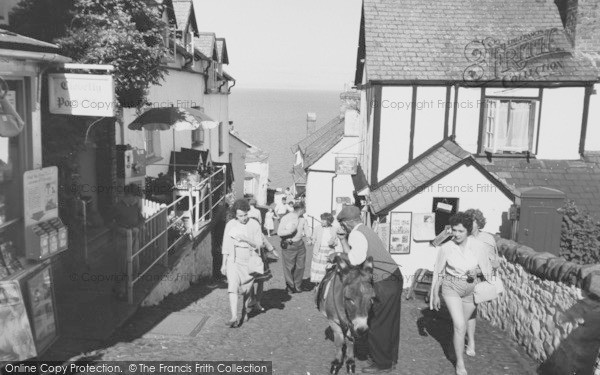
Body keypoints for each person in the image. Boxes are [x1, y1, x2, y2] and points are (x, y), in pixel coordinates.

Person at [331, 205, 403, 373]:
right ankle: (389, 358)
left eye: (342, 223)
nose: (342, 227)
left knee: (378, 322)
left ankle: (382, 364)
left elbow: (356, 259)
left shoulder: (356, 234)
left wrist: (336, 256)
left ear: (348, 222)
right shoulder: (364, 229)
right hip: (393, 277)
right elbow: (357, 255)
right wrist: (342, 240)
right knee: (390, 321)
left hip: (383, 281)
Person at [429, 212, 493, 375]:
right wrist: (435, 293)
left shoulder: (478, 246)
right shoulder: (446, 248)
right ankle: (460, 363)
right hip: (451, 287)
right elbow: (439, 271)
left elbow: (487, 269)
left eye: (460, 231)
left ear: (468, 231)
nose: (456, 234)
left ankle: (453, 345)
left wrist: (476, 272)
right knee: (459, 325)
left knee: (461, 325)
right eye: (454, 230)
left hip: (471, 288)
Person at [221, 199, 263, 328]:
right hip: (233, 260)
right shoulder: (230, 225)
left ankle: (244, 311)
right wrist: (224, 264)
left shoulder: (254, 225)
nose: (243, 218)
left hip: (248, 261)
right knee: (232, 287)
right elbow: (226, 245)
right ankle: (234, 316)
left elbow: (259, 245)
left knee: (246, 289)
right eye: (240, 216)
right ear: (235, 214)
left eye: (245, 215)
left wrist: (246, 239)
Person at [463, 208, 500, 357]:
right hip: (461, 278)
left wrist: (478, 272)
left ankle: (470, 341)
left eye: (471, 222)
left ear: (478, 223)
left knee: (469, 311)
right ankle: (463, 337)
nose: (468, 225)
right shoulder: (462, 238)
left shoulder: (487, 240)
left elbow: (494, 264)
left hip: (477, 279)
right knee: (464, 311)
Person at [111, 183, 144, 299]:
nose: (137, 200)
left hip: (134, 239)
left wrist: (138, 227)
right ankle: (120, 290)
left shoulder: (135, 207)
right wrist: (120, 230)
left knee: (134, 265)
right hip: (121, 240)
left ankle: (129, 286)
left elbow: (141, 220)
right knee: (121, 266)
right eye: (136, 198)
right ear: (129, 196)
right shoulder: (117, 207)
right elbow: (110, 223)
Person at [277, 201, 308, 293]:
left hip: (300, 245)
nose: (305, 210)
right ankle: (290, 286)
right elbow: (279, 232)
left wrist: (310, 237)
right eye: (305, 208)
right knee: (289, 267)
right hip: (289, 245)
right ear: (301, 209)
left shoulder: (302, 218)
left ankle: (297, 285)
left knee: (300, 266)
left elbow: (307, 230)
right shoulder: (286, 218)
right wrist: (290, 232)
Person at [309, 212, 338, 284]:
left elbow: (337, 241)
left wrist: (333, 243)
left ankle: (325, 283)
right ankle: (317, 284)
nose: (321, 221)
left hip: (329, 251)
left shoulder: (334, 229)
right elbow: (313, 238)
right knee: (317, 268)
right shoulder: (317, 228)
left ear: (328, 221)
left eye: (323, 220)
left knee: (326, 268)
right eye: (321, 219)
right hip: (318, 251)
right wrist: (310, 241)